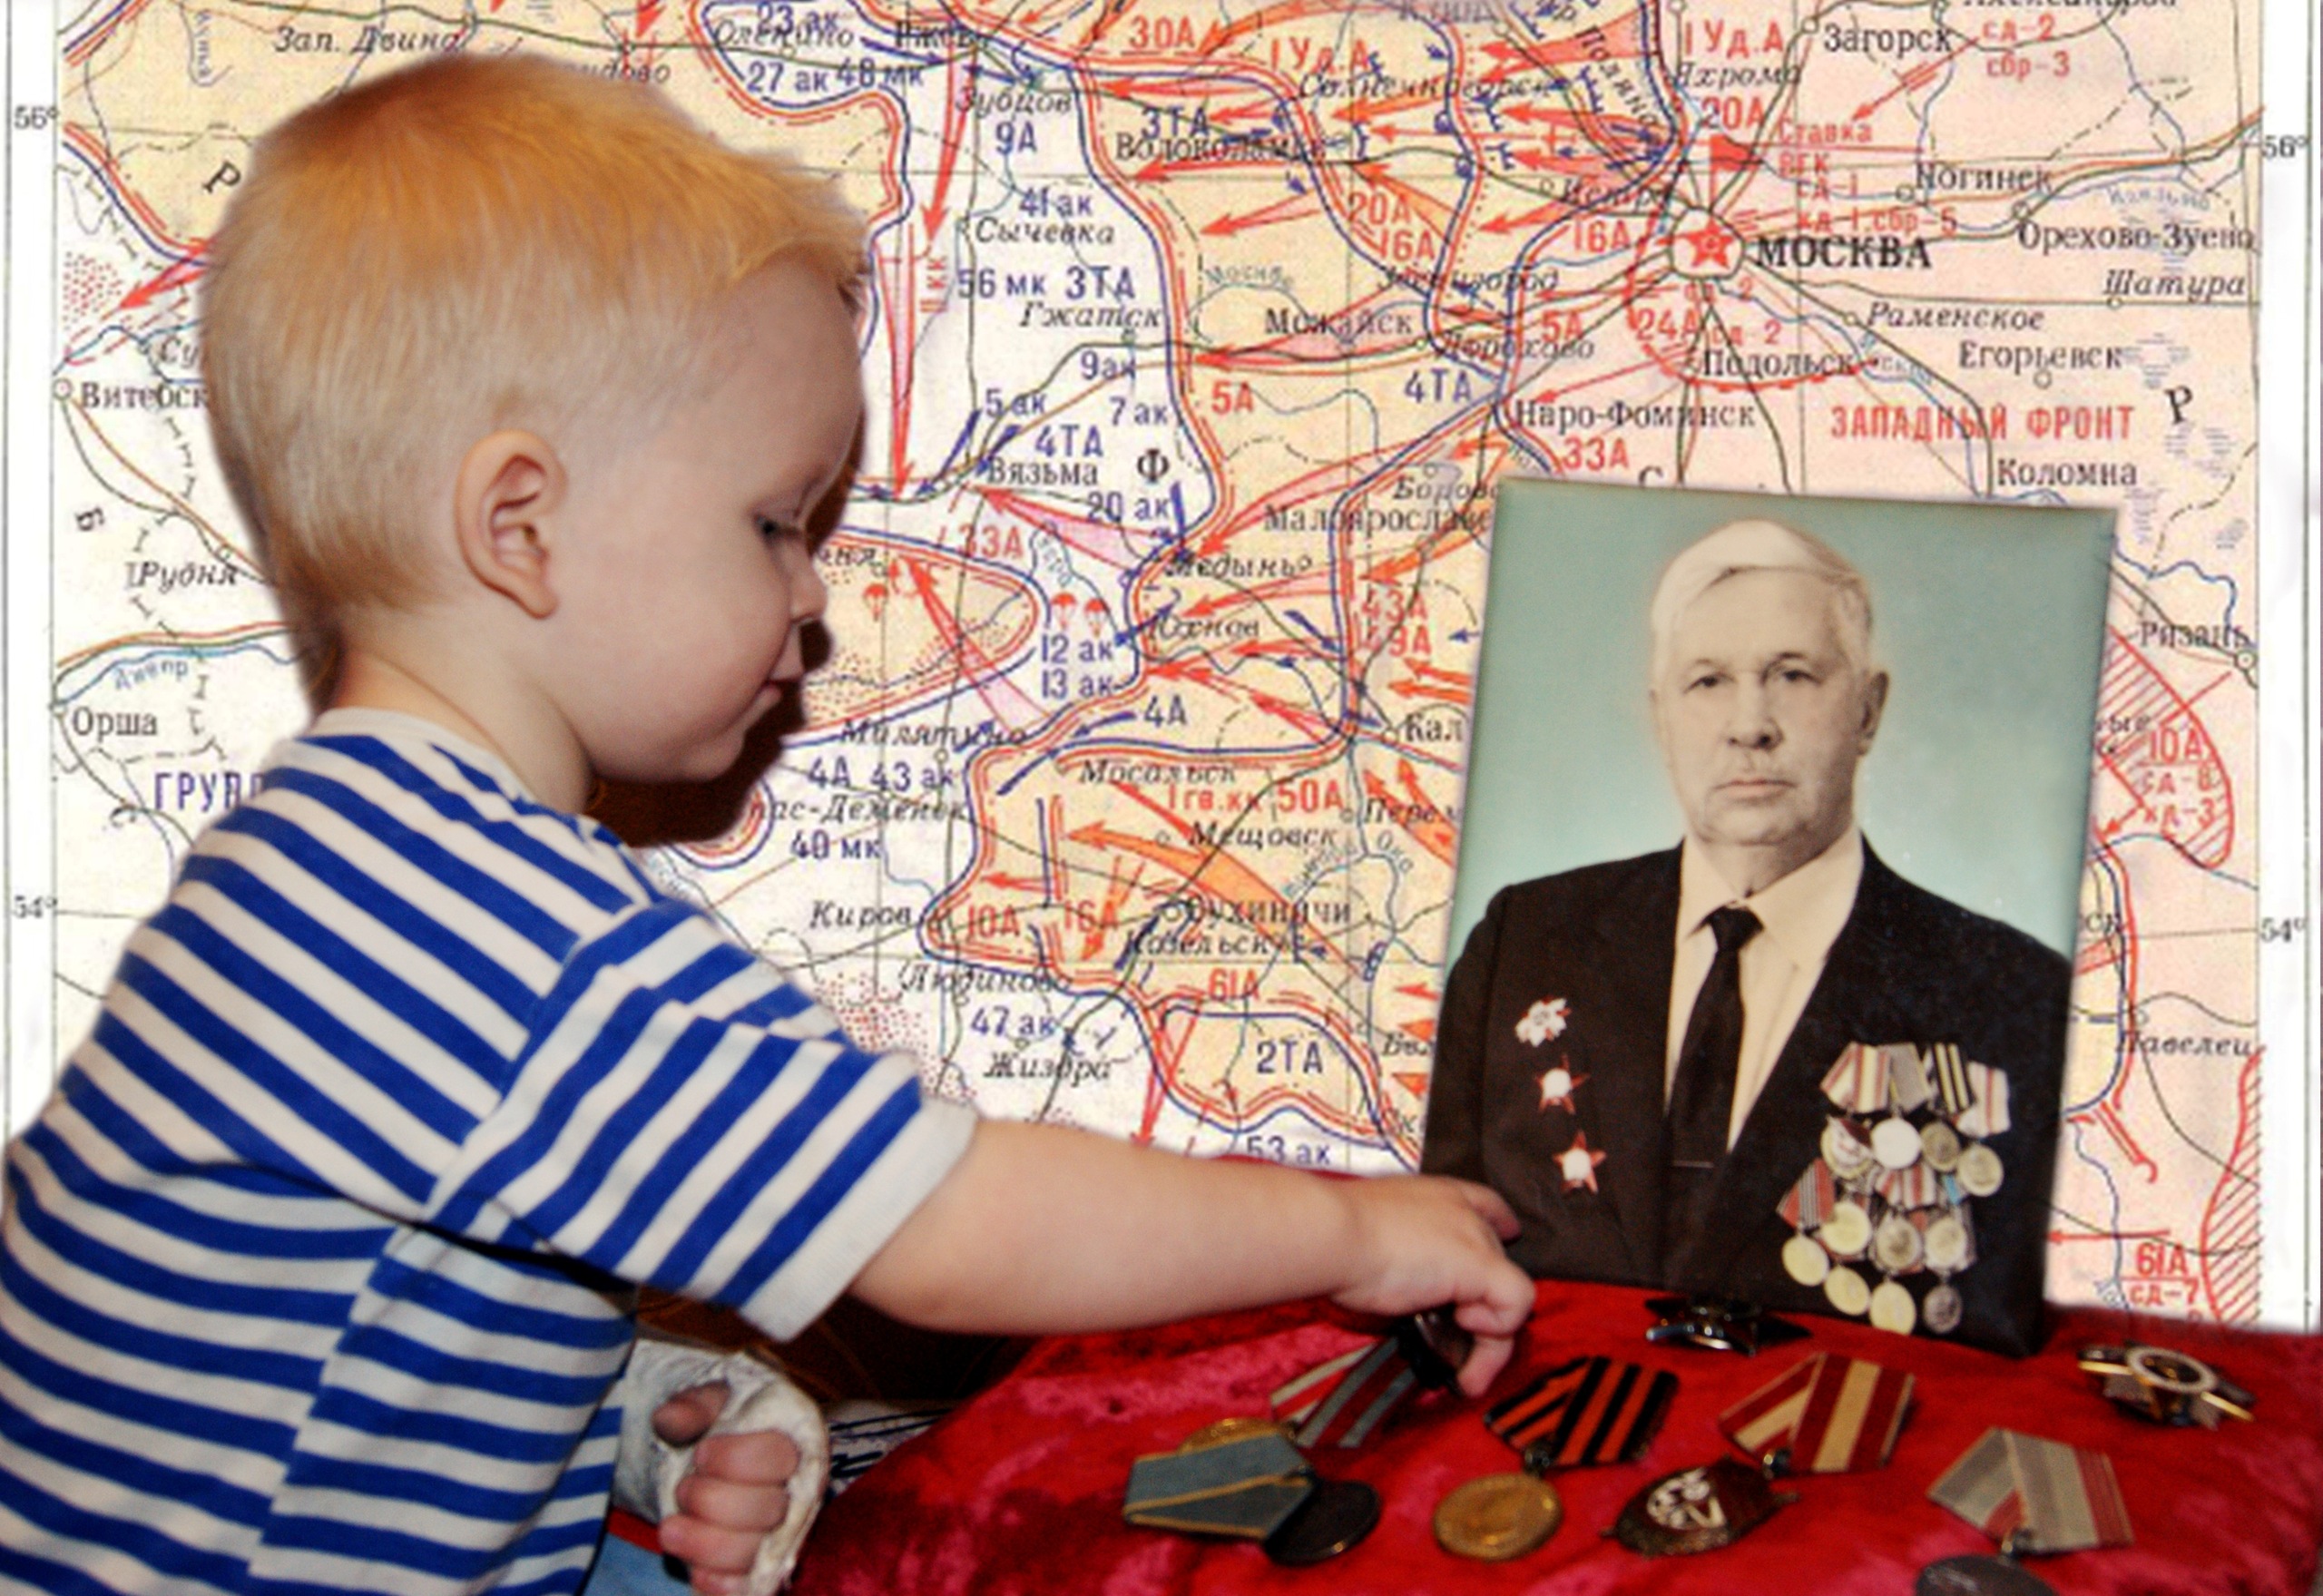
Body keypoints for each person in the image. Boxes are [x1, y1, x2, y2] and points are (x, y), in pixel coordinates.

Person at [0, 56, 1534, 1593]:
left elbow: (324, 1354)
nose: (811, 593)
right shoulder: (461, 917)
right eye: (773, 522)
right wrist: (1348, 1229)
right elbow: (943, 1225)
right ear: (519, 524)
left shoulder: (346, 867)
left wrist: (639, 1420)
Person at [1422, 518, 2069, 1356]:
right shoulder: (1527, 937)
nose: (1750, 724)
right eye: (1708, 682)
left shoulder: (2015, 993)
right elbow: (1437, 1236)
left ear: (1868, 710)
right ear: (1662, 718)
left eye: (1792, 675)